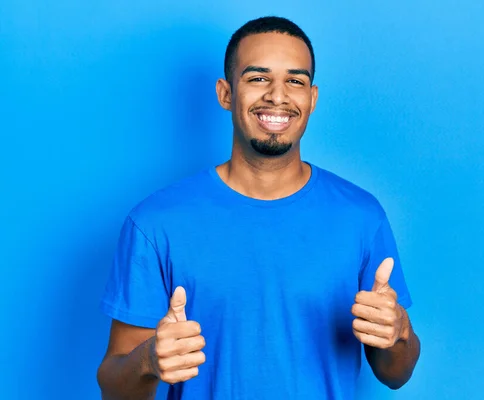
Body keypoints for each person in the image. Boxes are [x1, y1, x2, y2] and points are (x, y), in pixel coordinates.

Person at [96, 15, 420, 400]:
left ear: (312, 99)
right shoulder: (154, 223)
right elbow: (116, 389)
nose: (277, 96)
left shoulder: (362, 217)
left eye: (295, 81)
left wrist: (398, 333)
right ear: (226, 93)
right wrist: (148, 361)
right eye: (258, 78)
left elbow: (395, 374)